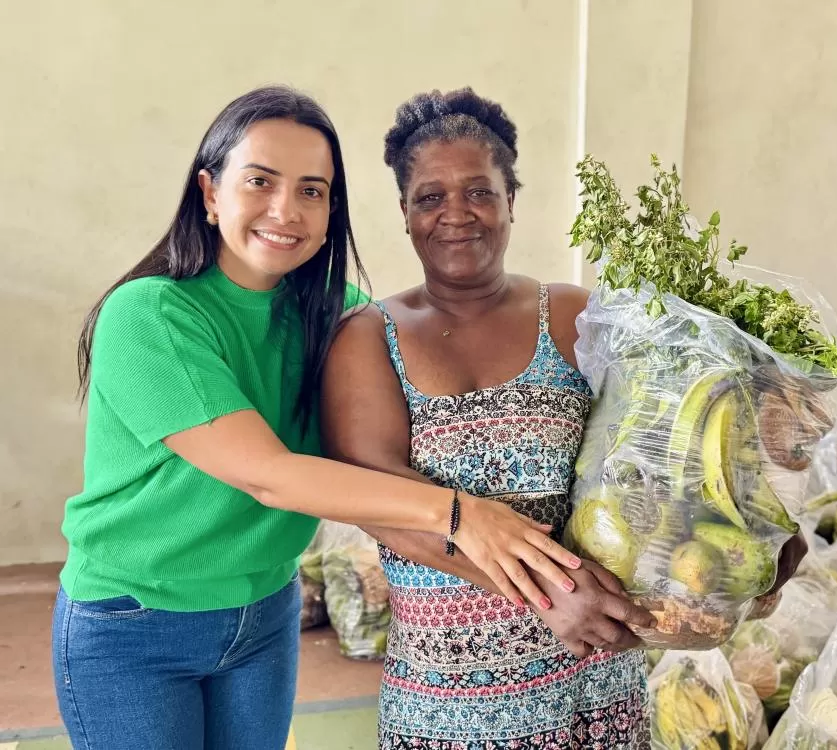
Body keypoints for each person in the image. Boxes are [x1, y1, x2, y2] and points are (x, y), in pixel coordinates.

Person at [52, 85, 585, 750]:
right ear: (210, 193)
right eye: (259, 181)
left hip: (263, 619)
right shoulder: (149, 315)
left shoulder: (338, 316)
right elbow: (270, 475)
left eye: (312, 190)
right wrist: (461, 513)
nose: (287, 209)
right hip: (136, 623)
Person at [322, 87, 657, 750]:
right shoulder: (366, 336)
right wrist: (547, 593)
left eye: (479, 191)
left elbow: (652, 454)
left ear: (512, 200)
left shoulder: (574, 315)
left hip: (596, 685)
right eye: (430, 196)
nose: (456, 214)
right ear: (405, 213)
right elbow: (378, 498)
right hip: (450, 700)